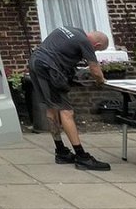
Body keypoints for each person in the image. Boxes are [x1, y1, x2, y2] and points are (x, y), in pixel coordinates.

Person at [28, 26, 111, 171]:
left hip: (36, 63)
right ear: (97, 45)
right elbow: (95, 71)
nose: (94, 52)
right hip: (49, 68)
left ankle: (61, 151)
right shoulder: (85, 42)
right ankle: (82, 157)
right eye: (97, 50)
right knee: (67, 112)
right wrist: (101, 81)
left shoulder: (71, 29)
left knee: (51, 108)